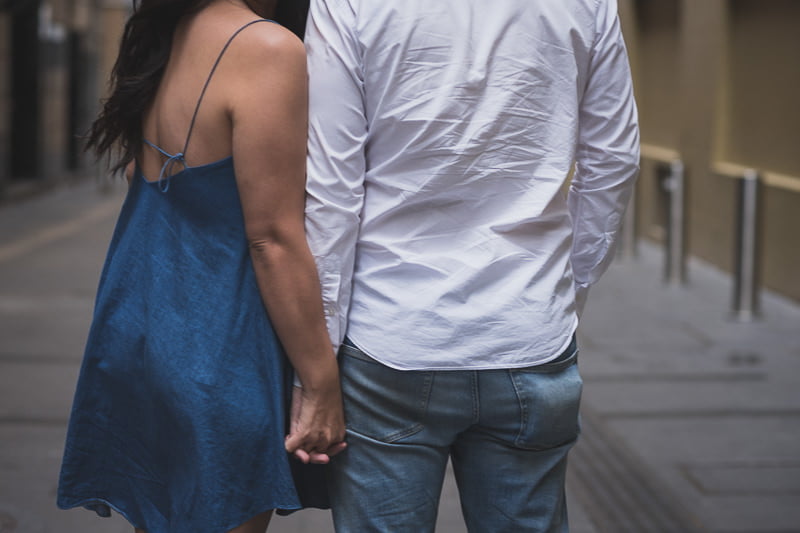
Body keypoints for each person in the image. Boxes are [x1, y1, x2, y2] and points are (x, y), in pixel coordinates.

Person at [303, 0, 640, 531]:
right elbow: (613, 160)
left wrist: (319, 359)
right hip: (529, 334)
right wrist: (562, 294)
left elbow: (330, 193)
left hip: (390, 337)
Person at [57, 0, 345, 531]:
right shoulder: (267, 47)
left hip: (139, 324)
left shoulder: (169, 31)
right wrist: (321, 382)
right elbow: (273, 239)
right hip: (216, 349)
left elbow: (137, 179)